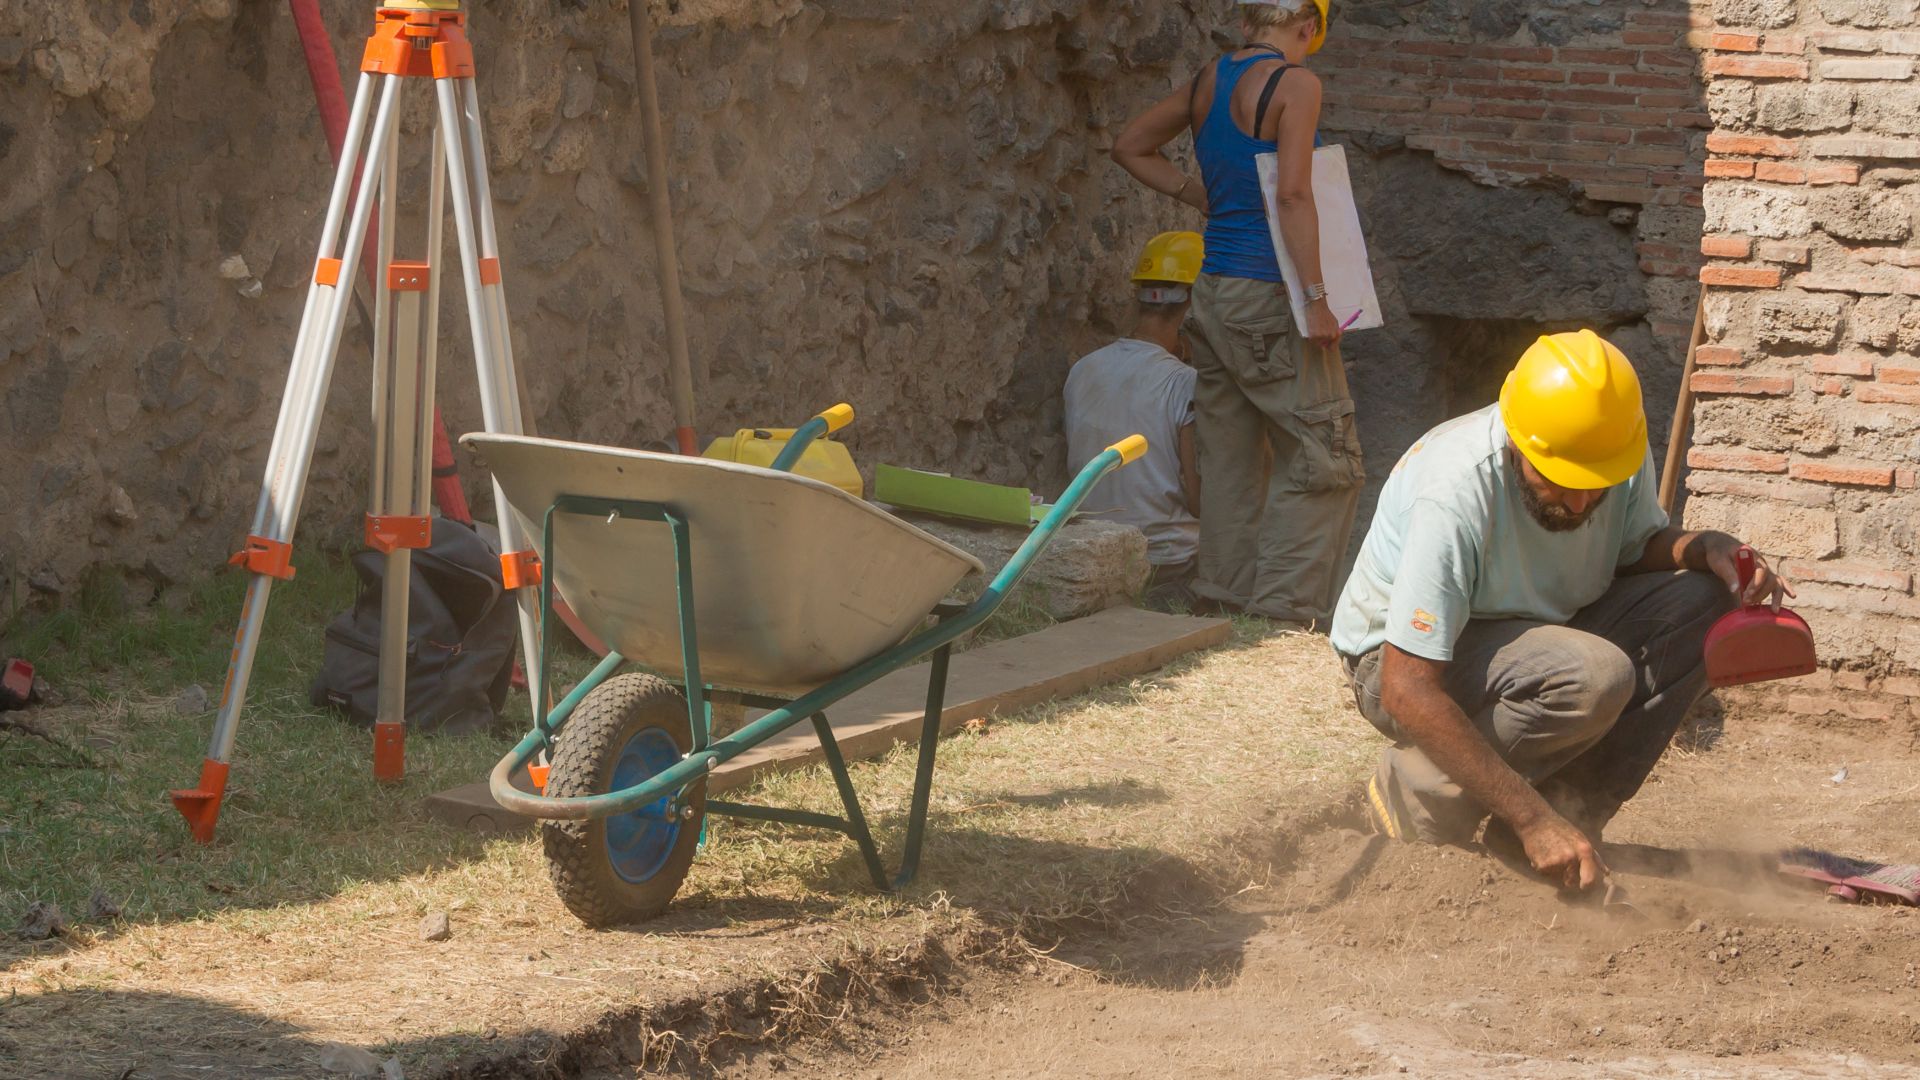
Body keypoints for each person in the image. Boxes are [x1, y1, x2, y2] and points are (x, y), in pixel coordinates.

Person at [1329, 330, 1792, 891]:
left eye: (1594, 487)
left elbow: (1629, 548)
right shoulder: (1453, 492)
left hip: (1537, 632)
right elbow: (1408, 687)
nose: (1580, 504)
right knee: (1591, 676)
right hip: (1399, 662)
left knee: (1704, 601)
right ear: (1520, 444)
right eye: (1562, 483)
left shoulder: (1610, 452)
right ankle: (1417, 793)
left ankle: (1567, 823)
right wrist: (1529, 818)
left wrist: (1703, 547)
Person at [1111, 0, 1363, 629]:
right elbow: (1295, 192)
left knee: (1229, 455)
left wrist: (1201, 197)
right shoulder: (1296, 83)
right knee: (1320, 453)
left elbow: (1130, 145)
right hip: (1268, 290)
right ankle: (1284, 613)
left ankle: (1220, 592)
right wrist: (1315, 298)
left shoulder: (1207, 79)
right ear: (1308, 27)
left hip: (1213, 291)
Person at [1065, 231, 1205, 608]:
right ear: (1196, 301)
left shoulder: (1083, 370)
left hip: (1096, 555)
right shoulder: (1185, 383)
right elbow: (1200, 502)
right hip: (1167, 563)